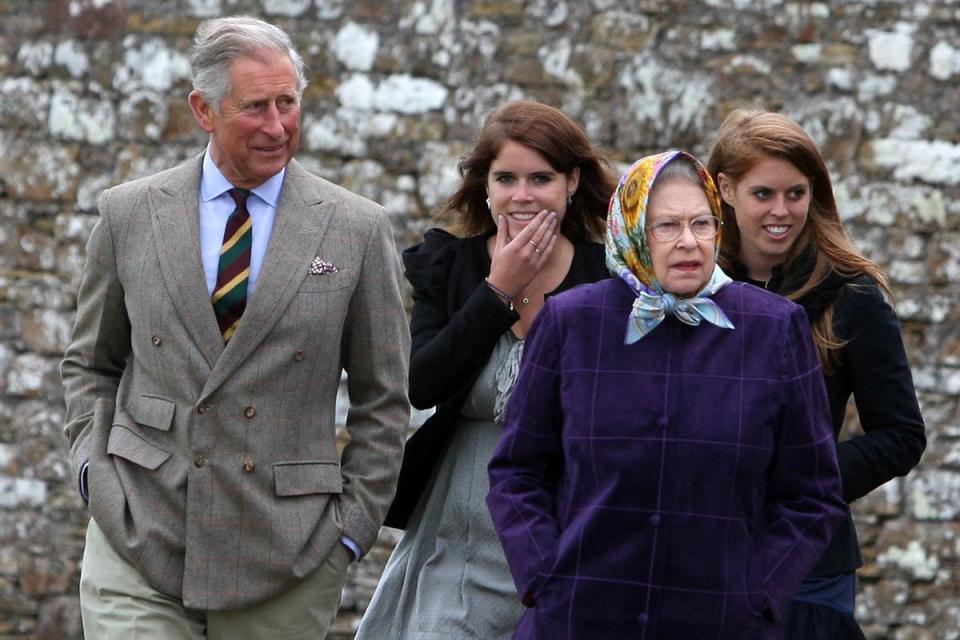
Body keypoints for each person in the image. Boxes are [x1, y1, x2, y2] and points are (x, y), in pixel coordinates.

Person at [60, 16, 410, 640]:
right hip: (138, 531)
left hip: (287, 555)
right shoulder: (128, 214)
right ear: (204, 109)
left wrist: (350, 534)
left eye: (288, 103)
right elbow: (92, 363)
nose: (278, 126)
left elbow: (383, 400)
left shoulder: (357, 229)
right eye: (255, 107)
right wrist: (94, 471)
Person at [487, 150, 848, 639]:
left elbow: (813, 494)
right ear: (633, 229)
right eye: (666, 227)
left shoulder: (774, 328)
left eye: (702, 224)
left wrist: (757, 592)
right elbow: (516, 471)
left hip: (720, 622)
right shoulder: (571, 322)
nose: (688, 243)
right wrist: (544, 577)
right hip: (578, 617)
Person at [355, 100, 616, 640]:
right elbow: (422, 385)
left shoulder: (608, 278)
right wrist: (497, 290)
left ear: (571, 181)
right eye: (506, 179)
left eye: (540, 178)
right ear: (486, 186)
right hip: (459, 529)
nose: (522, 196)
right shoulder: (449, 264)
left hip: (567, 526)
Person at [707, 109, 926, 638]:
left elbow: (901, 435)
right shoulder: (688, 284)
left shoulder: (852, 295)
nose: (782, 211)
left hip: (809, 567)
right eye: (764, 194)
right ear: (725, 189)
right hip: (701, 552)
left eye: (796, 193)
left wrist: (803, 479)